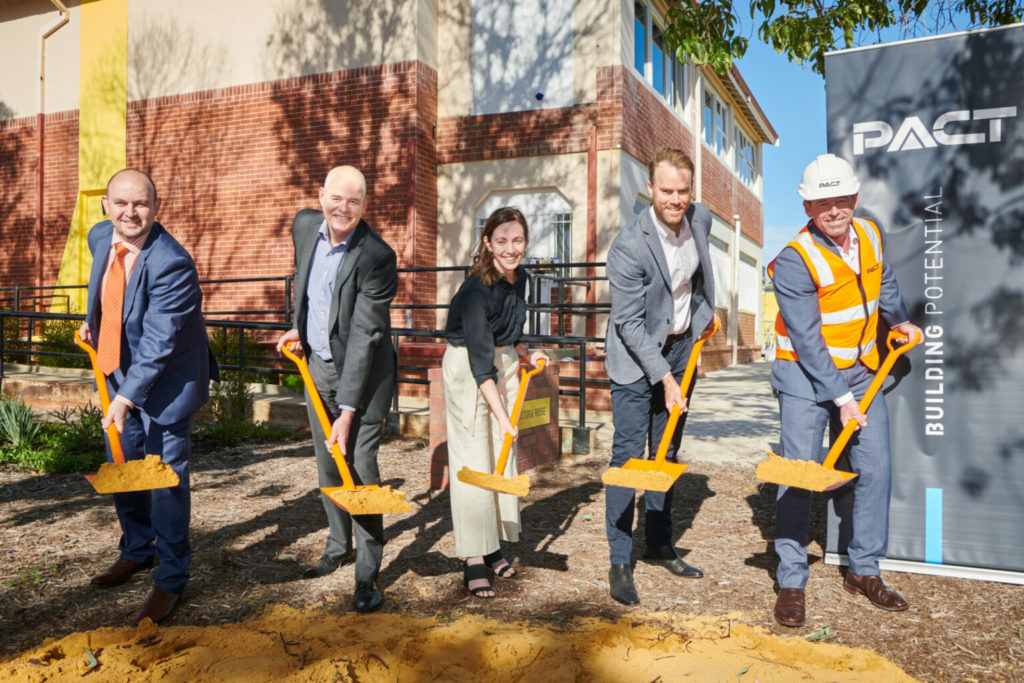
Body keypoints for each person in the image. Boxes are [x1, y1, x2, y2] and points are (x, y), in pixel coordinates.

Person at [768, 154, 923, 627]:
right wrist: (842, 399)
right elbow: (809, 341)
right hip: (803, 376)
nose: (833, 210)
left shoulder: (871, 234)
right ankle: (792, 579)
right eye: (821, 203)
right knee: (799, 474)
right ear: (808, 207)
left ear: (854, 199)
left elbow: (885, 283)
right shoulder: (795, 260)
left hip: (860, 370)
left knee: (875, 469)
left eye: (841, 200)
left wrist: (900, 322)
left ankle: (864, 569)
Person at [81, 168, 215, 625]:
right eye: (121, 203)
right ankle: (137, 550)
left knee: (162, 480)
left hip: (168, 385)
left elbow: (158, 344)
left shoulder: (171, 262)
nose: (130, 212)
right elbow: (106, 285)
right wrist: (94, 324)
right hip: (118, 370)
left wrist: (125, 398)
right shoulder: (101, 235)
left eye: (141, 204)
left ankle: (171, 579)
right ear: (106, 206)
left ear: (156, 208)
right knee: (124, 467)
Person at [275, 165, 397, 613]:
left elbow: (365, 336)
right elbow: (308, 289)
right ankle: (336, 546)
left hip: (363, 377)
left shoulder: (377, 256)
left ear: (365, 205)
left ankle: (367, 572)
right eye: (336, 198)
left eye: (354, 201)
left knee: (359, 463)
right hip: (317, 366)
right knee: (327, 461)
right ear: (321, 195)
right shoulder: (305, 225)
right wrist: (297, 328)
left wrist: (347, 412)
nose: (343, 209)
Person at [603, 147, 716, 605]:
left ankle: (659, 544)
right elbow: (629, 324)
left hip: (680, 348)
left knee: (665, 451)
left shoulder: (701, 218)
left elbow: (699, 282)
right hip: (634, 361)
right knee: (630, 458)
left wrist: (702, 326)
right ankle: (619, 560)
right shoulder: (629, 245)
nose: (675, 199)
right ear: (650, 188)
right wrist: (665, 380)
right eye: (666, 190)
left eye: (683, 190)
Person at [442, 206, 547, 599]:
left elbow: (507, 330)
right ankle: (472, 558)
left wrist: (526, 352)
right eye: (501, 240)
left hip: (501, 363)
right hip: (470, 370)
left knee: (499, 460)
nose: (510, 248)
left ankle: (492, 547)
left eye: (517, 240)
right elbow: (478, 362)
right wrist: (504, 415)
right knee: (475, 459)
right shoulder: (474, 291)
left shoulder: (521, 279)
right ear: (487, 242)